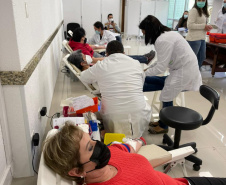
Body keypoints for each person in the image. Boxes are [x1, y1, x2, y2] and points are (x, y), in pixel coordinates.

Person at [43, 123, 226, 185]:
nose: (99, 145)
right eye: (90, 148)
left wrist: (140, 141)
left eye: (91, 139)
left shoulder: (113, 152)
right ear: (75, 171)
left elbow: (130, 146)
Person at [139, 15, 202, 134]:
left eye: (144, 32)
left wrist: (143, 74)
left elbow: (161, 67)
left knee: (166, 94)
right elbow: (161, 61)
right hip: (181, 68)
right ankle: (163, 120)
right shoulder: (166, 34)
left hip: (185, 70)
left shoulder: (162, 40)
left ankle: (164, 125)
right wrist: (146, 71)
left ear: (150, 31)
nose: (143, 35)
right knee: (162, 82)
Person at [80, 40, 152, 139]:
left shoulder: (101, 65)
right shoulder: (136, 63)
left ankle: (109, 134)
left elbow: (83, 77)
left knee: (105, 110)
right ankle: (134, 137)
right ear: (124, 53)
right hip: (140, 114)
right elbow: (141, 83)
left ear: (107, 54)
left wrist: (86, 67)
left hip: (114, 118)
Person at [186, 0, 212, 68]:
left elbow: (201, 24)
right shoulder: (194, 10)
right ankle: (189, 76)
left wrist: (207, 26)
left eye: (203, 0)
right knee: (192, 60)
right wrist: (204, 26)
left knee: (201, 58)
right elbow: (190, 25)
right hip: (193, 39)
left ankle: (195, 75)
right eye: (199, 0)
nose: (201, 1)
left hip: (202, 38)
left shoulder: (203, 11)